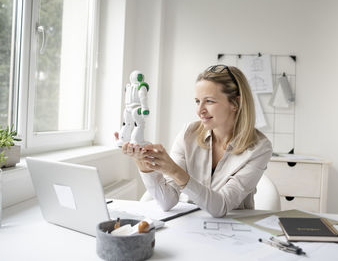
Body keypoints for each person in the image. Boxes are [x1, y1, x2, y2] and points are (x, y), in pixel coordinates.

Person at [115, 65, 273, 218]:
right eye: (197, 101)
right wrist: (143, 163)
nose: (200, 110)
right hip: (190, 227)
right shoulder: (188, 134)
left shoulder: (259, 148)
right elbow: (167, 201)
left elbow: (222, 206)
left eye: (209, 101)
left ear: (235, 103)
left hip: (234, 231)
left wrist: (175, 171)